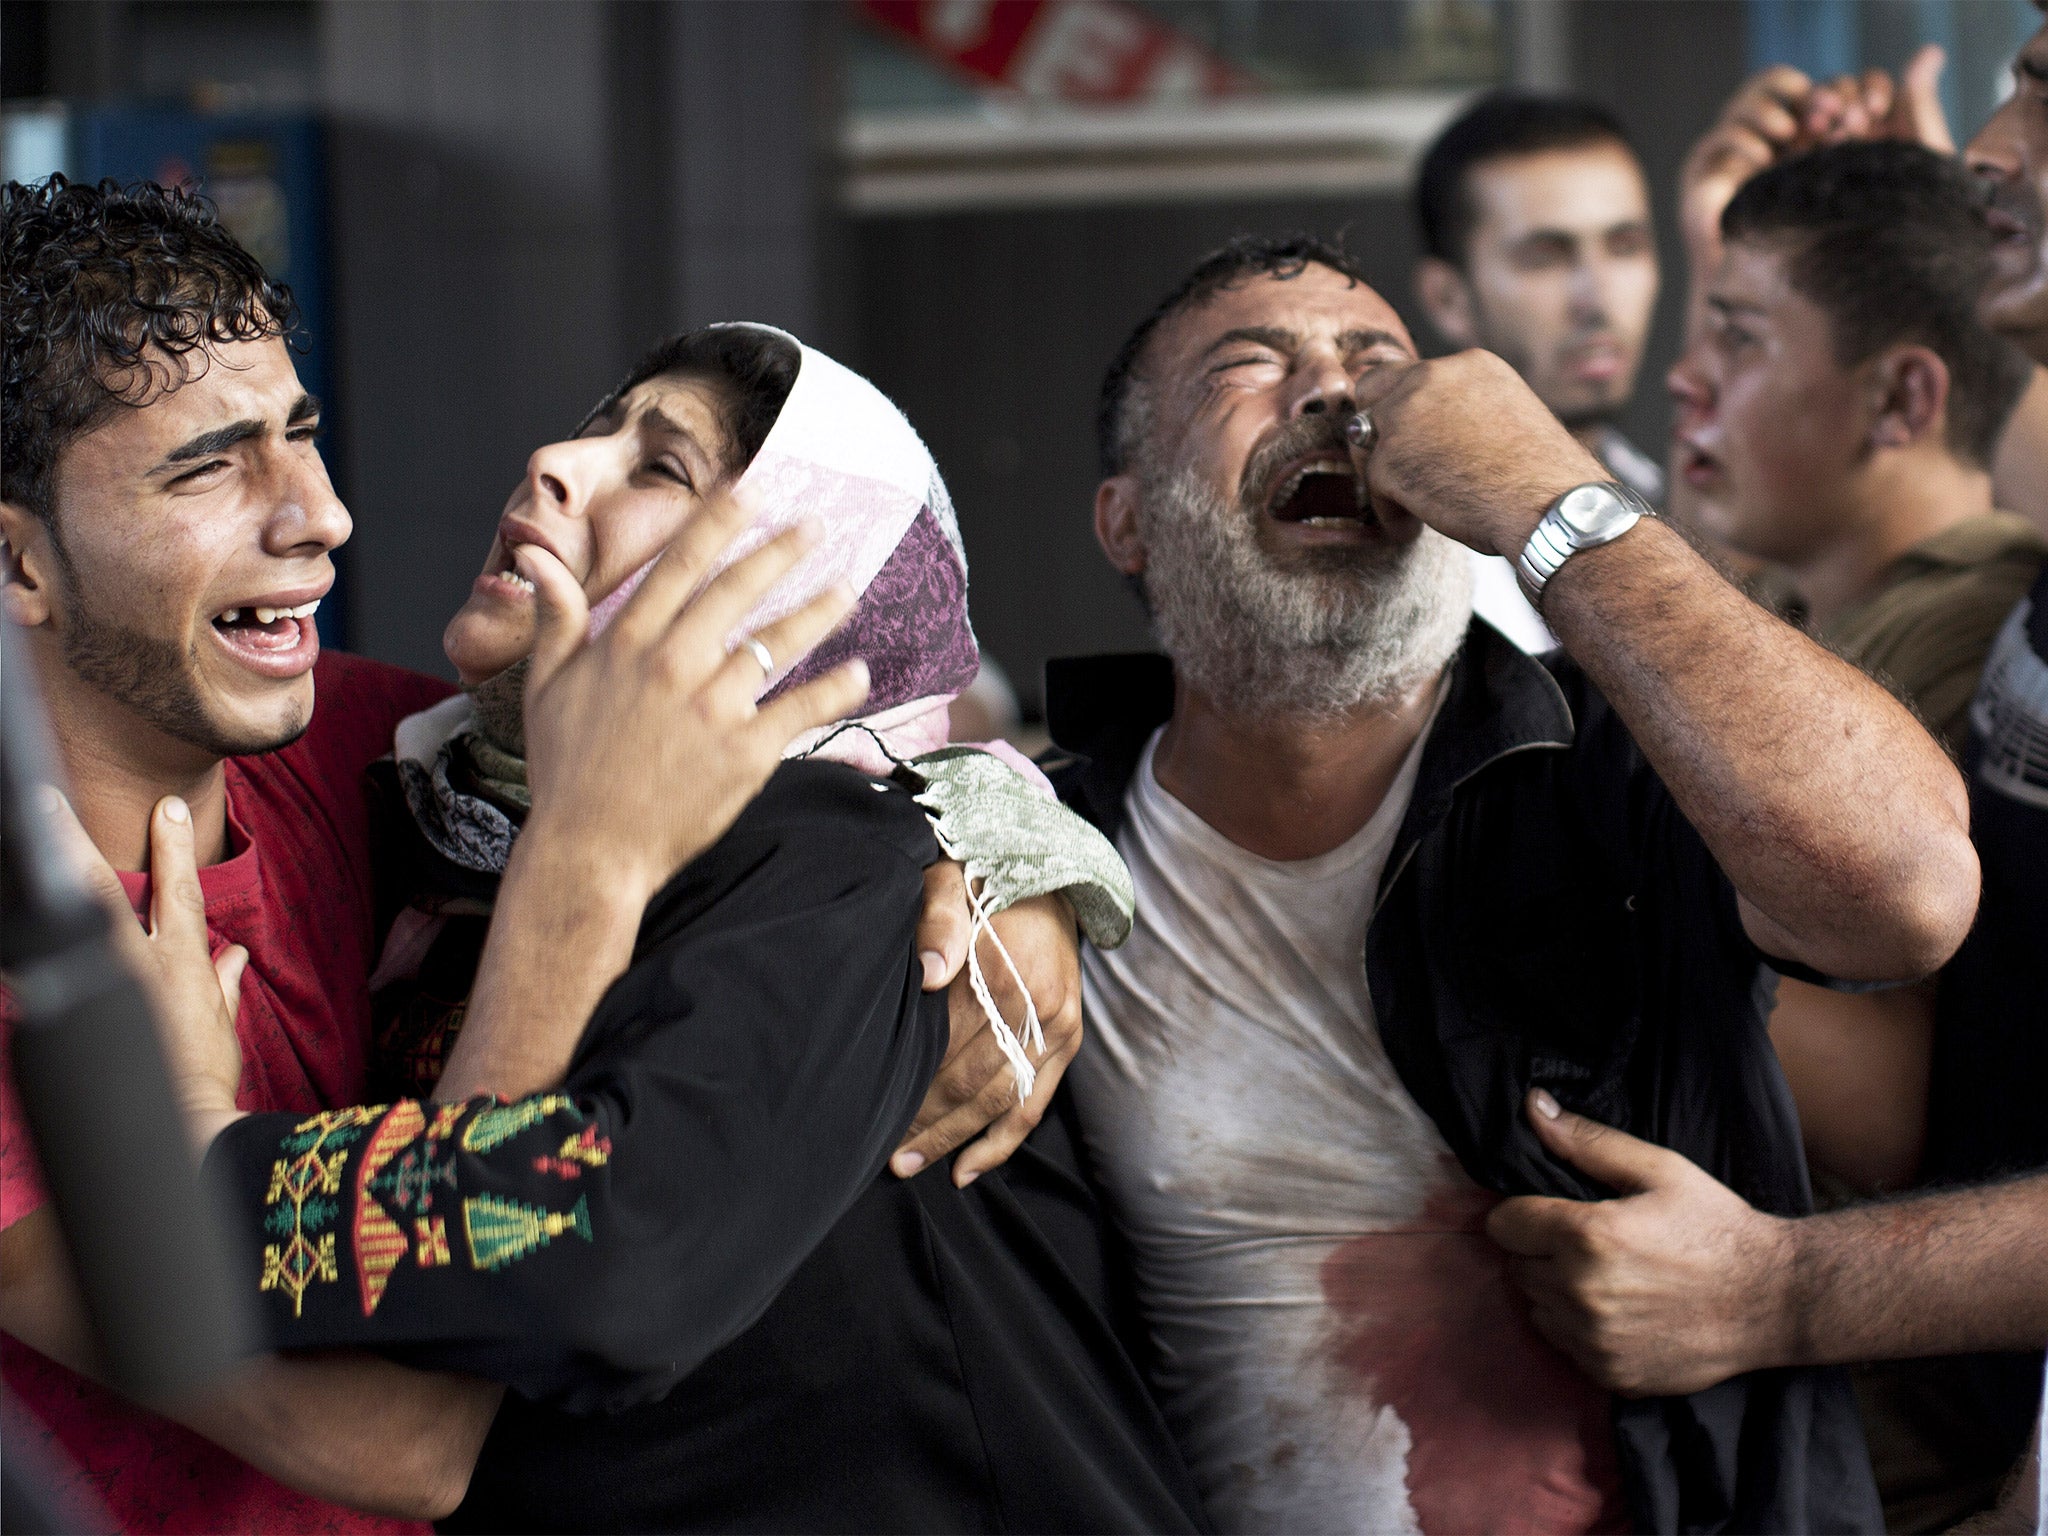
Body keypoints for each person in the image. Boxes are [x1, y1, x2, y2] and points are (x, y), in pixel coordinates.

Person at [0, 177, 1082, 1532]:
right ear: (20, 567)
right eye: (210, 465)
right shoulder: (56, 954)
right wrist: (584, 863)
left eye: (300, 434)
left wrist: (1017, 854)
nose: (321, 517)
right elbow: (411, 1435)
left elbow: (889, 721)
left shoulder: (366, 753)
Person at [163, 324, 1208, 1534]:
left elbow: (615, 1259)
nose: (554, 458)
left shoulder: (839, 861)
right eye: (594, 425)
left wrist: (193, 1171)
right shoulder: (437, 845)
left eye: (658, 468)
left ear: (786, 602)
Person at [1046, 231, 1978, 1533]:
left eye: (1378, 363)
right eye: (1248, 368)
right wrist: (995, 857)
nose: (1334, 392)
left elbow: (1909, 894)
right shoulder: (1043, 863)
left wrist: (1550, 494)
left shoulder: (1608, 766)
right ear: (1128, 521)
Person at [1484, 36, 2048, 1532]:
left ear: (1903, 397)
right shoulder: (1839, 605)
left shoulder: (1955, 617)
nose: (1682, 372)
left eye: (1734, 333)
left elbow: (1882, 1102)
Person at [1411, 91, 1663, 650]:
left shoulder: (1672, 500)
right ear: (1448, 299)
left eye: (1624, 247)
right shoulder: (1403, 562)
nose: (1596, 300)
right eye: (1544, 258)